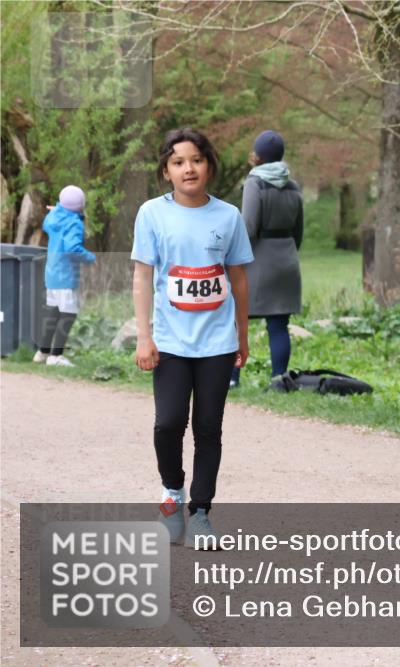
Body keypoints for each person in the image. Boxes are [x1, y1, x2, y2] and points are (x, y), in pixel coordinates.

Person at [131, 128, 254, 549]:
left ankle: (200, 512)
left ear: (209, 166)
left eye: (197, 160)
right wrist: (143, 336)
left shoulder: (228, 216)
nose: (189, 168)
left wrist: (242, 334)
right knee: (168, 423)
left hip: (217, 342)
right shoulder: (152, 214)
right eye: (179, 161)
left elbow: (237, 279)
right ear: (166, 170)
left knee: (208, 428)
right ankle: (171, 493)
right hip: (169, 342)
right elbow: (143, 277)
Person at [229, 130, 304, 388]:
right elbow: (299, 232)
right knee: (279, 325)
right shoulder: (293, 185)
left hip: (258, 261)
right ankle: (279, 378)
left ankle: (231, 378)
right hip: (287, 261)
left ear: (257, 155)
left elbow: (248, 226)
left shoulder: (255, 183)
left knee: (238, 320)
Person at [33, 185, 96, 367]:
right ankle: (56, 356)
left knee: (54, 313)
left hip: (52, 275)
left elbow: (52, 221)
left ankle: (42, 352)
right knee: (69, 314)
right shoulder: (74, 223)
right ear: (81, 205)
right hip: (66, 276)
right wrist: (91, 258)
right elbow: (72, 249)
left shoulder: (53, 216)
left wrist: (60, 209)